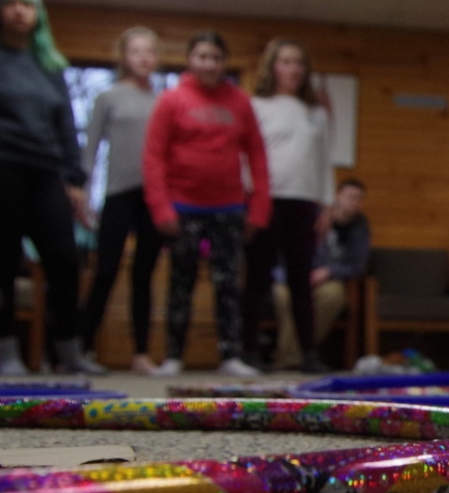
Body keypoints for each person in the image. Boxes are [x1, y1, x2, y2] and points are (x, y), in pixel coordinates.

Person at [0, 0, 105, 376]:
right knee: (2, 262)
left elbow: (66, 125)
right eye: (12, 3)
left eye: (28, 5)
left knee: (65, 261)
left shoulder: (50, 66)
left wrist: (76, 180)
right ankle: (7, 353)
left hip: (47, 173)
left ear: (39, 15)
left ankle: (68, 352)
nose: (20, 11)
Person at [142, 31, 272, 377]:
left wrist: (258, 210)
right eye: (202, 56)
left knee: (228, 285)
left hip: (229, 210)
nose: (209, 64)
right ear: (190, 60)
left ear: (223, 62)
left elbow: (257, 157)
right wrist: (161, 208)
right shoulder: (171, 100)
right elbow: (153, 157)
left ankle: (230, 355)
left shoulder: (240, 102)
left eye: (215, 57)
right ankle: (173, 357)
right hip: (183, 210)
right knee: (180, 284)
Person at [247, 38, 336, 372]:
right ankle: (250, 351)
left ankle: (308, 352)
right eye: (285, 61)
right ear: (273, 66)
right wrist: (250, 202)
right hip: (265, 202)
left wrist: (326, 205)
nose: (292, 69)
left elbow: (324, 162)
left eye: (298, 62)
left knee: (301, 281)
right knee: (257, 280)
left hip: (304, 204)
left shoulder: (316, 113)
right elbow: (248, 158)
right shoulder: (257, 106)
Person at [78, 26, 163, 375]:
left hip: (155, 198)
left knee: (144, 275)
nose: (143, 57)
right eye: (136, 51)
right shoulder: (108, 97)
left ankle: (141, 354)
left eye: (149, 51)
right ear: (124, 57)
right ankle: (80, 348)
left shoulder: (164, 102)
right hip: (117, 196)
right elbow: (91, 149)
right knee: (106, 271)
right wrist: (84, 194)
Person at [273, 179, 371, 370]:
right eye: (350, 197)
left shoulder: (360, 226)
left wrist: (328, 271)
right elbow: (282, 255)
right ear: (337, 197)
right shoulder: (313, 217)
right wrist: (297, 275)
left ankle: (289, 357)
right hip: (291, 274)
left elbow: (358, 265)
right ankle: (300, 356)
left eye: (359, 198)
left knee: (333, 296)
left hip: (328, 278)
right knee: (284, 296)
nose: (354, 202)